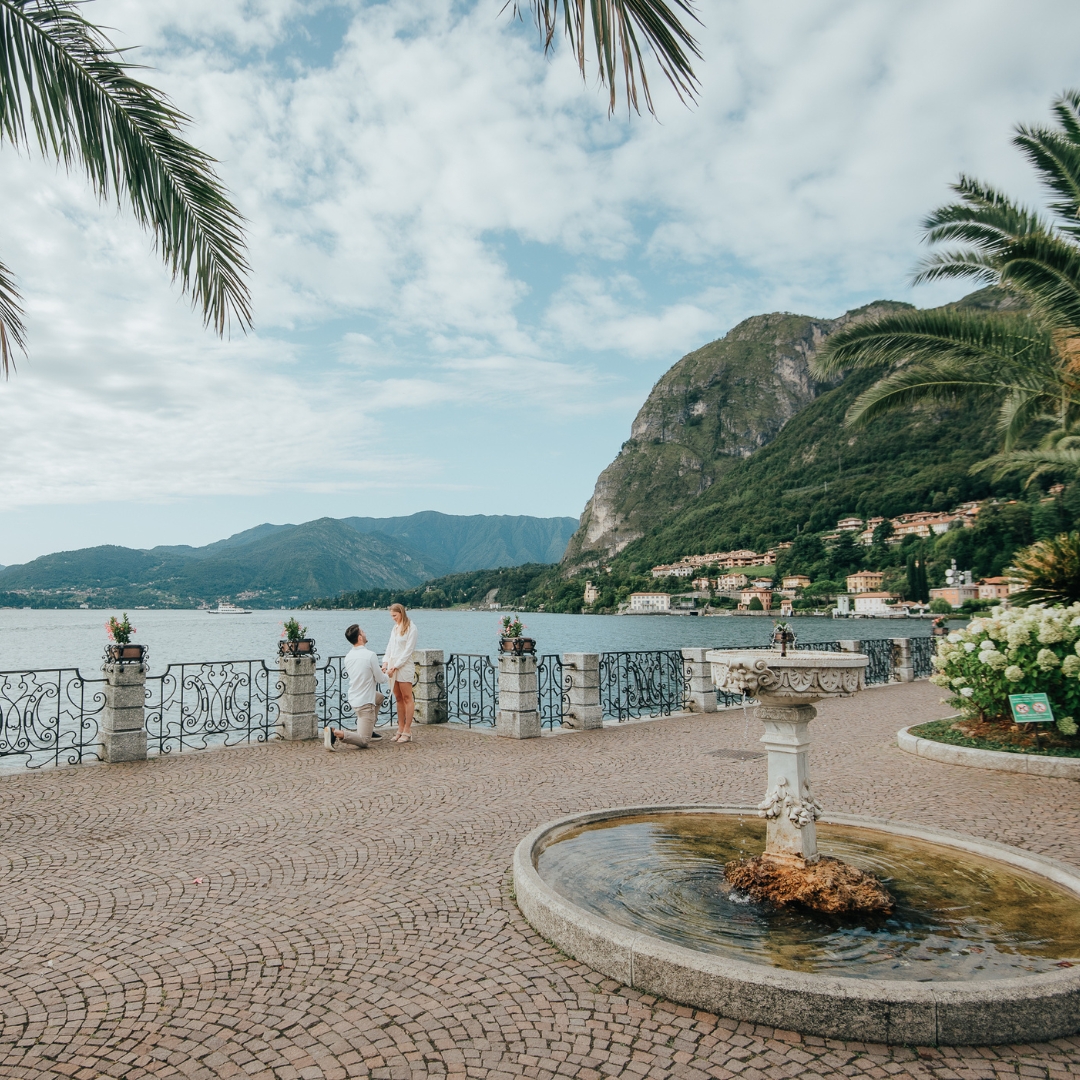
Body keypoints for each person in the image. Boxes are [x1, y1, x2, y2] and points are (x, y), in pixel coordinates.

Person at [325, 624, 388, 751]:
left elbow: (363, 673)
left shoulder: (348, 656)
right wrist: (388, 674)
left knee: (379, 698)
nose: (365, 633)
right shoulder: (370, 655)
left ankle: (369, 727)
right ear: (360, 637)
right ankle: (336, 732)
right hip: (365, 703)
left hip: (354, 697)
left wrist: (378, 672)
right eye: (363, 632)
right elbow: (381, 679)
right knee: (364, 741)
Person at [382, 603, 418, 742]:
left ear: (401, 613)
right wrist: (385, 662)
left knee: (407, 697)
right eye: (391, 616)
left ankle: (407, 730)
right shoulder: (395, 628)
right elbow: (390, 647)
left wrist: (396, 666)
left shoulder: (411, 628)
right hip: (393, 666)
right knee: (398, 697)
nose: (393, 618)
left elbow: (408, 651)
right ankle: (400, 728)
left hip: (404, 666)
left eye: (394, 615)